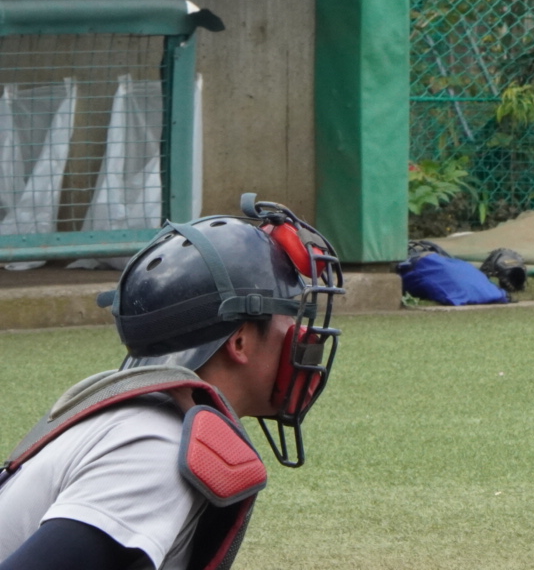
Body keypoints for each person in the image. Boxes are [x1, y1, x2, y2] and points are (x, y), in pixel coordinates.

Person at [0, 200, 343, 570]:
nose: (303, 335)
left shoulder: (143, 419)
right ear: (240, 341)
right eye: (290, 313)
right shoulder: (154, 450)